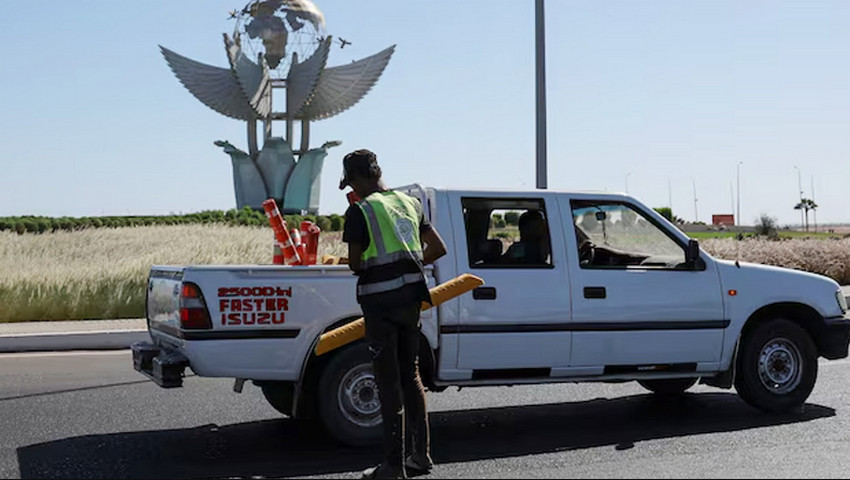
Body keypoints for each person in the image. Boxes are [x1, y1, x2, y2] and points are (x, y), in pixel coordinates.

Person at [339, 149, 448, 480]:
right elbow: (438, 248)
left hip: (380, 305)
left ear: (356, 179)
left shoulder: (360, 212)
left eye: (351, 182)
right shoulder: (409, 203)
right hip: (411, 301)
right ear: (379, 172)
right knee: (411, 376)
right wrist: (409, 264)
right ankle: (421, 456)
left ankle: (391, 465)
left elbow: (357, 263)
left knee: (387, 383)